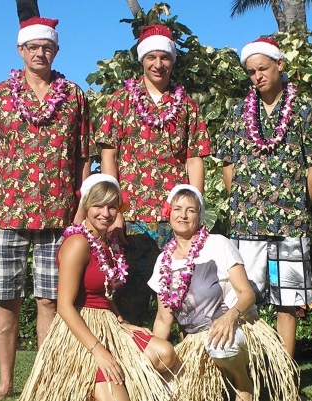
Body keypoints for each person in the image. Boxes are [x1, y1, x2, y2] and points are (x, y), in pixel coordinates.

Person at [0, 16, 91, 400]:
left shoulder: (73, 96)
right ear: (20, 50)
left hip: (59, 213)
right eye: (33, 47)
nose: (40, 53)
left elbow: (83, 156)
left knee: (51, 300)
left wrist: (81, 208)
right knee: (7, 299)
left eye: (47, 47)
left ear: (56, 50)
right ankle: (6, 383)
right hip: (8, 212)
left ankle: (43, 382)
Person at [216, 37, 312, 359]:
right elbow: (228, 164)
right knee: (243, 300)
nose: (257, 76)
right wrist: (245, 203)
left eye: (263, 68)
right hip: (246, 224)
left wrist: (294, 205)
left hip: (290, 226)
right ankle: (249, 373)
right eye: (251, 72)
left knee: (288, 302)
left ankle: (284, 376)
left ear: (279, 65)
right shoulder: (238, 113)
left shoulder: (304, 111)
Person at [20, 174, 179, 401]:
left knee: (165, 353)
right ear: (86, 205)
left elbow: (104, 293)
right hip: (80, 329)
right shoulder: (77, 243)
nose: (105, 213)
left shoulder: (109, 243)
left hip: (109, 323)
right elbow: (64, 306)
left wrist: (122, 323)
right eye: (98, 206)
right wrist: (98, 350)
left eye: (112, 207)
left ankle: (122, 385)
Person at [96, 24, 210, 325]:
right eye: (151, 57)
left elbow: (194, 158)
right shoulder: (120, 101)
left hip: (175, 218)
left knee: (183, 298)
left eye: (164, 57)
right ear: (142, 60)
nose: (158, 64)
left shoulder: (187, 106)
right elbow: (109, 156)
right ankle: (128, 355)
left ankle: (184, 354)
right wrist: (115, 210)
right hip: (130, 217)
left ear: (172, 60)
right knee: (129, 299)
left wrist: (194, 210)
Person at [149, 185, 299, 401]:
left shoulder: (218, 244)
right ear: (169, 214)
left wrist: (230, 318)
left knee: (220, 346)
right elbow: (164, 319)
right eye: (177, 209)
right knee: (167, 392)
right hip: (194, 342)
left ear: (200, 216)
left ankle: (243, 383)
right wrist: (154, 355)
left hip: (234, 327)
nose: (183, 215)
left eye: (191, 210)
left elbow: (247, 293)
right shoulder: (163, 261)